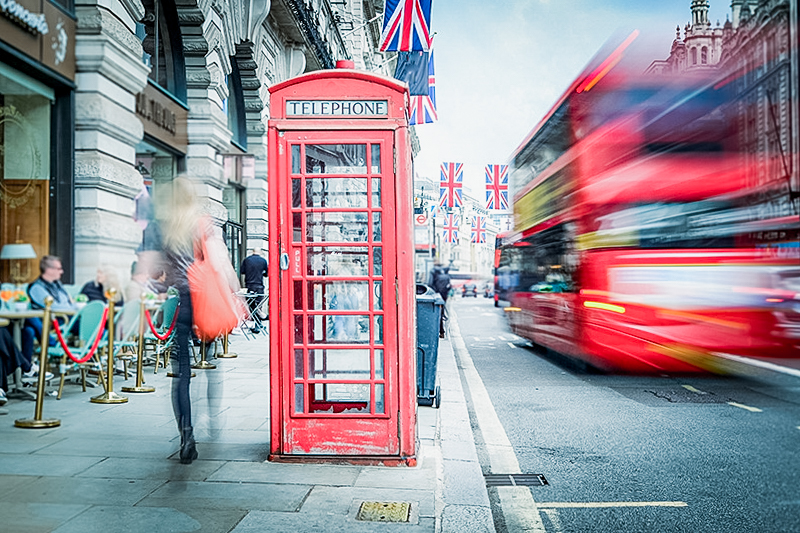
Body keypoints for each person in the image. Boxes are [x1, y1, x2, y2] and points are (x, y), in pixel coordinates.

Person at [155, 177, 239, 464]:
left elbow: (163, 274)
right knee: (212, 365)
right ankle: (213, 419)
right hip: (204, 303)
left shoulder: (167, 228)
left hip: (180, 305)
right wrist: (235, 293)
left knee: (181, 375)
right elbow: (219, 262)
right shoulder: (203, 223)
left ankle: (186, 436)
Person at [240, 248, 268, 331]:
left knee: (252, 306)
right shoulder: (263, 261)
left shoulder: (247, 260)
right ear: (260, 252)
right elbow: (266, 274)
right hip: (259, 285)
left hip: (249, 285)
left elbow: (242, 271)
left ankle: (256, 324)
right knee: (258, 306)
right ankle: (258, 323)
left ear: (253, 252)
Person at [429, 264, 451, 338]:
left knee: (437, 314)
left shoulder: (434, 275)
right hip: (444, 296)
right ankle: (442, 332)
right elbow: (449, 287)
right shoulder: (447, 276)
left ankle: (440, 331)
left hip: (436, 295)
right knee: (441, 313)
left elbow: (430, 284)